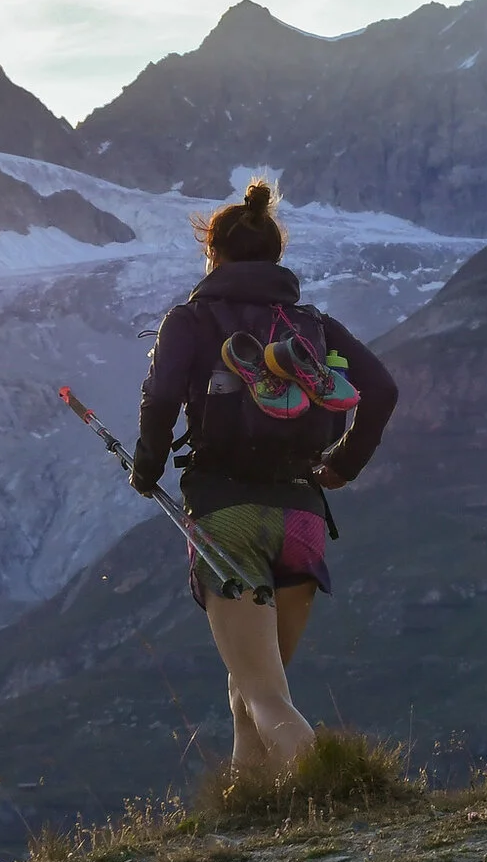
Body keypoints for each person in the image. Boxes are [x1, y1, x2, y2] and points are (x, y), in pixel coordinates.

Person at [131, 178, 399, 776]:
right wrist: (343, 466)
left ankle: (345, 786)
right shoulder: (313, 324)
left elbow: (161, 397)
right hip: (302, 516)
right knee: (248, 686)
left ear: (213, 255)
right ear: (277, 255)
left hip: (227, 515)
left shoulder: (191, 320)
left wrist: (147, 470)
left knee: (265, 695)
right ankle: (248, 811)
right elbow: (380, 390)